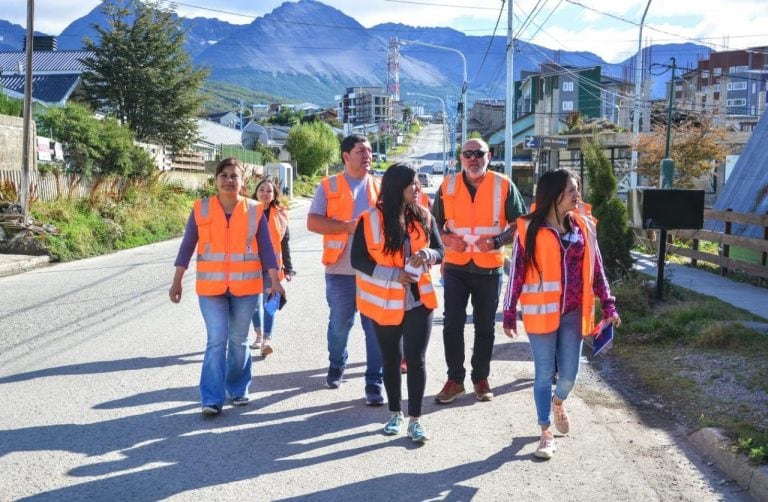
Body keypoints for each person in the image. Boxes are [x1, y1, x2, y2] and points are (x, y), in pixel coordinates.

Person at [501, 168, 621, 459]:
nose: (577, 195)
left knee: (569, 375)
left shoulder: (583, 227)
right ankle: (545, 432)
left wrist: (609, 304)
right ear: (555, 196)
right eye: (572, 190)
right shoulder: (529, 229)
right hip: (541, 313)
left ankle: (558, 402)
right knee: (543, 373)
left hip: (573, 312)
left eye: (577, 189)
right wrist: (508, 310)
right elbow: (516, 270)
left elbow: (598, 269)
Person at [169, 157, 285, 416]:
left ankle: (238, 387)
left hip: (246, 289)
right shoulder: (202, 208)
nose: (229, 180)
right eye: (224, 175)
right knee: (216, 340)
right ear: (216, 179)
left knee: (239, 340)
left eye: (235, 176)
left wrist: (275, 280)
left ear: (243, 181)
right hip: (211, 290)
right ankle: (211, 397)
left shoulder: (254, 210)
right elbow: (187, 245)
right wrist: (177, 279)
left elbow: (266, 249)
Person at [351, 163, 444, 443]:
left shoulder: (424, 216)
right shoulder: (369, 220)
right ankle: (395, 414)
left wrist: (429, 254)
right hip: (384, 302)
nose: (418, 189)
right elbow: (358, 260)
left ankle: (416, 420)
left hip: (419, 301)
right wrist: (394, 274)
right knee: (390, 360)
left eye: (417, 183)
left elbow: (441, 249)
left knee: (416, 360)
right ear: (396, 188)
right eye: (412, 184)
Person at [432, 138, 527, 404]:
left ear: (490, 156)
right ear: (460, 158)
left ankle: (480, 378)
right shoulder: (447, 185)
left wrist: (496, 241)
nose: (473, 158)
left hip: (489, 267)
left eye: (478, 153)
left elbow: (519, 223)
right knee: (452, 324)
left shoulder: (503, 185)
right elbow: (433, 224)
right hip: (455, 265)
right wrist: (448, 240)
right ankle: (454, 379)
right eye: (467, 154)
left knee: (485, 326)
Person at [306, 134, 384, 405]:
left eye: (370, 151)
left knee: (374, 327)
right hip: (340, 269)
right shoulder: (328, 186)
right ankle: (337, 363)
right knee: (341, 324)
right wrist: (346, 226)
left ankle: (374, 380)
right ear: (345, 156)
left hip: (374, 271)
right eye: (361, 150)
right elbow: (313, 222)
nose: (367, 155)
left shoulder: (380, 188)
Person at [249, 177, 295, 357]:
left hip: (273, 267)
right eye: (262, 190)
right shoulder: (248, 211)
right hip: (250, 264)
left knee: (269, 304)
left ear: (274, 194)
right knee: (253, 303)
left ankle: (267, 339)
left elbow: (285, 242)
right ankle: (258, 335)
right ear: (256, 192)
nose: (265, 193)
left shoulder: (281, 214)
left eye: (269, 190)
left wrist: (289, 268)